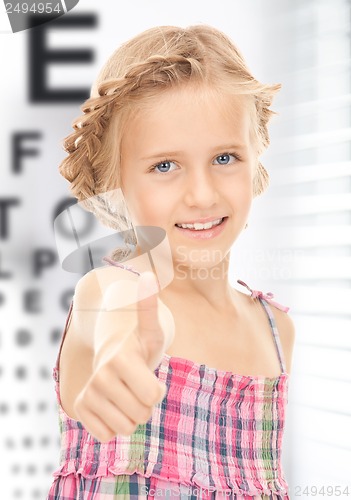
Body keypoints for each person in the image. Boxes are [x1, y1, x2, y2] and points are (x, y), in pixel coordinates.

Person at [47, 24, 296, 500]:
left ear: (256, 156)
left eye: (225, 157)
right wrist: (119, 346)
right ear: (115, 180)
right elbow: (117, 310)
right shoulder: (109, 291)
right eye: (165, 166)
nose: (202, 194)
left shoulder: (277, 330)